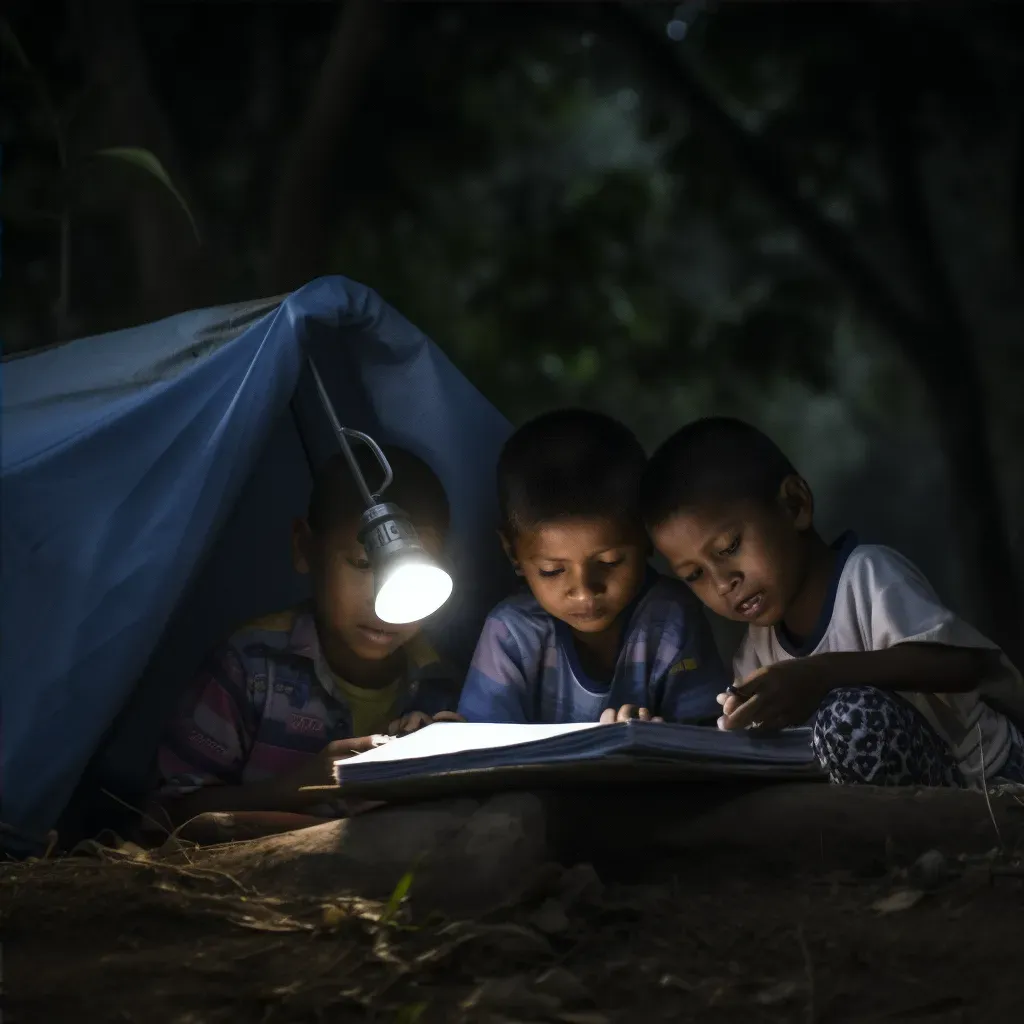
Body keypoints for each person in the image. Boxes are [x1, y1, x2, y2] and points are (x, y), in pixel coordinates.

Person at [640, 415, 1024, 787]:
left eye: (730, 547)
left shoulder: (869, 576)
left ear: (795, 506)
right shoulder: (756, 654)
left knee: (850, 718)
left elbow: (961, 666)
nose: (723, 583)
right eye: (694, 575)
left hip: (991, 775)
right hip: (912, 793)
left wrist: (820, 674)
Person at [153, 445, 462, 830]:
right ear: (305, 548)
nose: (383, 600)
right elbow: (170, 812)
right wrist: (306, 785)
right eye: (364, 564)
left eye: (414, 568)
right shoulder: (250, 666)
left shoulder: (437, 682)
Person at [458, 409, 727, 725]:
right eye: (552, 570)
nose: (585, 592)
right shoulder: (511, 634)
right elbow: (482, 751)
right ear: (513, 554)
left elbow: (708, 738)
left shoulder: (670, 619)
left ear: (647, 537)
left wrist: (654, 740)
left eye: (610, 562)